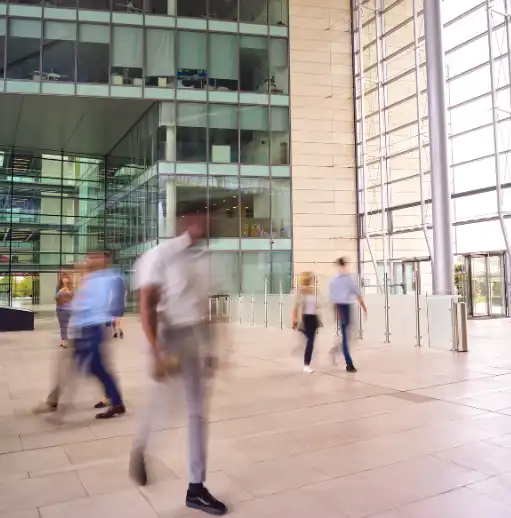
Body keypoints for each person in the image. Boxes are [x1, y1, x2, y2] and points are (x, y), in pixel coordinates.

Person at [129, 213, 227, 516]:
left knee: (197, 413)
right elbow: (146, 304)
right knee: (163, 405)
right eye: (198, 220)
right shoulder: (159, 256)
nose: (203, 226)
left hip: (193, 337)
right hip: (168, 337)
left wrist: (211, 348)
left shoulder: (203, 259)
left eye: (206, 222)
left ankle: (196, 488)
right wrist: (155, 349)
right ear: (184, 222)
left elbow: (208, 308)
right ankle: (141, 447)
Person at [55, 249, 126, 420]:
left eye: (95, 257)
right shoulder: (89, 279)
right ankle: (116, 401)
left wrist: (107, 317)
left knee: (86, 366)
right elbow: (81, 302)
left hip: (95, 327)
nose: (89, 260)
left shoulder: (112, 277)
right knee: (92, 366)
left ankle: (62, 410)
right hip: (82, 328)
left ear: (104, 259)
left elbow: (118, 304)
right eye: (89, 257)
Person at [329, 257, 367, 372]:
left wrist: (363, 307)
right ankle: (349, 363)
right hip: (342, 307)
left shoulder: (344, 279)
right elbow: (335, 299)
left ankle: (335, 350)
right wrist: (364, 307)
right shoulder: (338, 280)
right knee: (346, 338)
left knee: (351, 337)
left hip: (346, 307)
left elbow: (357, 293)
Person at [292, 272, 320, 373]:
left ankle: (300, 349)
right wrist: (294, 319)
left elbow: (318, 304)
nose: (312, 280)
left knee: (310, 341)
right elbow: (296, 307)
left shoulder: (314, 291)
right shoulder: (301, 291)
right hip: (306, 318)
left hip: (314, 318)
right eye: (310, 278)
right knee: (310, 341)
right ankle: (306, 365)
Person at [56, 274, 73, 348]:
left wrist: (69, 292)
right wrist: (61, 291)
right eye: (64, 278)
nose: (65, 279)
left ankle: (63, 340)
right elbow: (56, 297)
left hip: (69, 309)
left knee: (65, 326)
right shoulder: (59, 287)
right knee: (63, 326)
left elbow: (73, 296)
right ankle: (64, 341)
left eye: (67, 278)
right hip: (61, 309)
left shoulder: (71, 288)